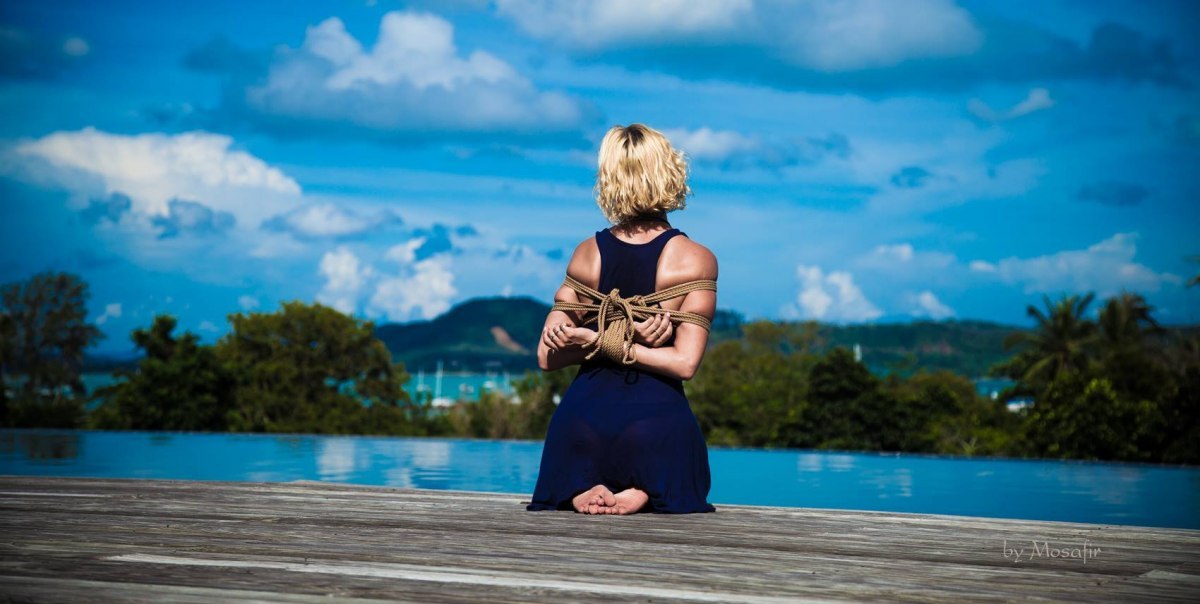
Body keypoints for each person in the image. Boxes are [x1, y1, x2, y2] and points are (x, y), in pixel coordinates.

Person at [525, 123, 719, 515]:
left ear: (608, 179)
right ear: (672, 171)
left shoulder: (586, 254)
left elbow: (547, 359)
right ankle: (642, 488)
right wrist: (629, 344)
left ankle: (583, 484)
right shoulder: (695, 258)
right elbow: (685, 364)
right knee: (681, 469)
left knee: (573, 461)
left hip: (578, 429)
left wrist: (593, 341)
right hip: (653, 428)